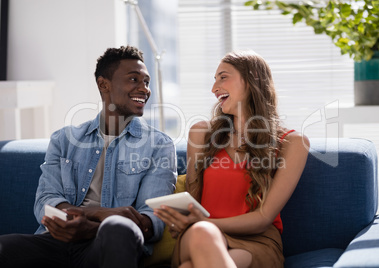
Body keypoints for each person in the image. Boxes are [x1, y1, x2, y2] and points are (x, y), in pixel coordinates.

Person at [0, 46, 177, 268]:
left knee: (119, 229)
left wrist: (94, 227)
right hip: (55, 242)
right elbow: (45, 201)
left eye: (147, 82)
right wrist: (98, 213)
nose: (144, 89)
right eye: (134, 79)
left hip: (108, 243)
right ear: (104, 84)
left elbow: (153, 220)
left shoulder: (158, 145)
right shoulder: (64, 139)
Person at [154, 50, 310, 268]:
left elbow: (263, 218)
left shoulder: (292, 142)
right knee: (202, 233)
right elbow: (193, 202)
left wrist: (204, 222)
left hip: (256, 242)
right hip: (198, 235)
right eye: (214, 80)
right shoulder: (202, 134)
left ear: (252, 78)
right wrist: (181, 219)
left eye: (223, 77)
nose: (214, 88)